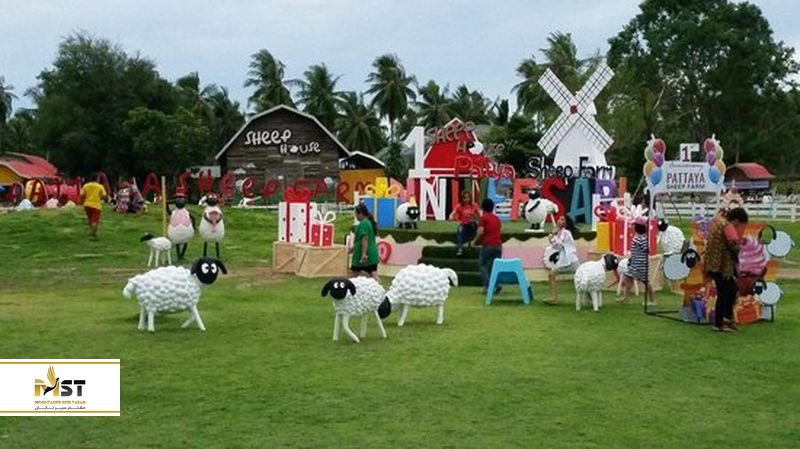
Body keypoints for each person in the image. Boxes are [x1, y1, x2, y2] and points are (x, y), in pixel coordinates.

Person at [704, 207, 748, 332]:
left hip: (713, 264)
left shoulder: (717, 223)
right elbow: (733, 245)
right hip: (722, 265)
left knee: (730, 289)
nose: (738, 227)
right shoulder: (727, 226)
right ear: (735, 220)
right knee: (725, 292)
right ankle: (720, 323)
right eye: (738, 224)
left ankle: (726, 319)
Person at [545, 215, 580, 305]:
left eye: (562, 219)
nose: (559, 220)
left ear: (565, 223)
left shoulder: (566, 233)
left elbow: (559, 245)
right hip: (569, 260)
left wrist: (552, 237)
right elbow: (557, 247)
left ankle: (553, 298)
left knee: (552, 274)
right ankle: (553, 297)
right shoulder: (561, 233)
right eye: (559, 219)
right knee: (581, 277)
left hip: (569, 261)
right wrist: (553, 237)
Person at [472, 198, 503, 294]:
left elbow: (480, 231)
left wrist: (474, 241)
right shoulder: (497, 218)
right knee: (493, 267)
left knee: (482, 264)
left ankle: (489, 285)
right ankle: (496, 285)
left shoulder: (484, 218)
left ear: (483, 208)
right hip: (498, 245)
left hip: (488, 245)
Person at [622, 217, 655, 305]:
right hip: (635, 263)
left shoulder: (641, 238)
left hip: (640, 264)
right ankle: (626, 298)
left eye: (634, 225)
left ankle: (652, 300)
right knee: (628, 278)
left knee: (645, 282)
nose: (633, 227)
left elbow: (647, 250)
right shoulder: (638, 237)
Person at [350, 203, 380, 282]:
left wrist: (363, 254)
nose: (355, 216)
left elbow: (365, 239)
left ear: (360, 213)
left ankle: (352, 290)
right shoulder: (368, 222)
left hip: (364, 253)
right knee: (372, 272)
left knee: (355, 273)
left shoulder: (363, 224)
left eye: (356, 213)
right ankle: (380, 289)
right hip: (372, 253)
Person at [449, 190, 481, 256]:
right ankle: (460, 249)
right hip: (463, 224)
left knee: (473, 223)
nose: (466, 199)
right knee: (460, 230)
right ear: (462, 198)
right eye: (465, 198)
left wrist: (480, 218)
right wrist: (451, 216)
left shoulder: (474, 205)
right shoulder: (459, 206)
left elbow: (480, 213)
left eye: (468, 197)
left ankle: (470, 241)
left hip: (472, 224)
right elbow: (453, 213)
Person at [79, 174, 108, 240]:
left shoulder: (85, 186)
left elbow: (82, 195)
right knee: (95, 221)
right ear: (96, 179)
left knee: (90, 220)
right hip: (96, 206)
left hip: (87, 205)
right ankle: (93, 235)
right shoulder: (100, 186)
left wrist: (80, 203)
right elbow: (104, 196)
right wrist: (104, 200)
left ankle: (90, 232)